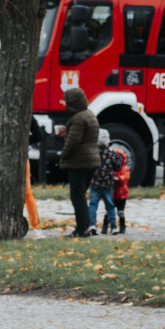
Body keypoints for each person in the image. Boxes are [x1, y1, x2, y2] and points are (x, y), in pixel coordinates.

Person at [57, 88, 99, 237]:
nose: (65, 104)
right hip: (91, 160)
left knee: (77, 197)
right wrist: (67, 132)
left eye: (67, 102)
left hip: (80, 162)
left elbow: (73, 143)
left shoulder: (78, 119)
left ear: (73, 103)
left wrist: (63, 156)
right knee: (81, 196)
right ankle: (84, 227)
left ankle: (82, 229)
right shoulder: (90, 115)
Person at [87, 128, 122, 236]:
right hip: (108, 185)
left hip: (95, 184)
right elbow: (118, 166)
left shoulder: (92, 154)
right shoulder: (112, 154)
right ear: (107, 141)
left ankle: (92, 225)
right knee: (110, 206)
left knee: (93, 205)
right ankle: (114, 227)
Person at [105, 144, 130, 234]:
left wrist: (118, 178)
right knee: (108, 211)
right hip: (112, 194)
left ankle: (122, 227)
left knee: (121, 212)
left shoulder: (125, 169)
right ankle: (105, 226)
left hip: (122, 195)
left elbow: (126, 177)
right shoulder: (111, 169)